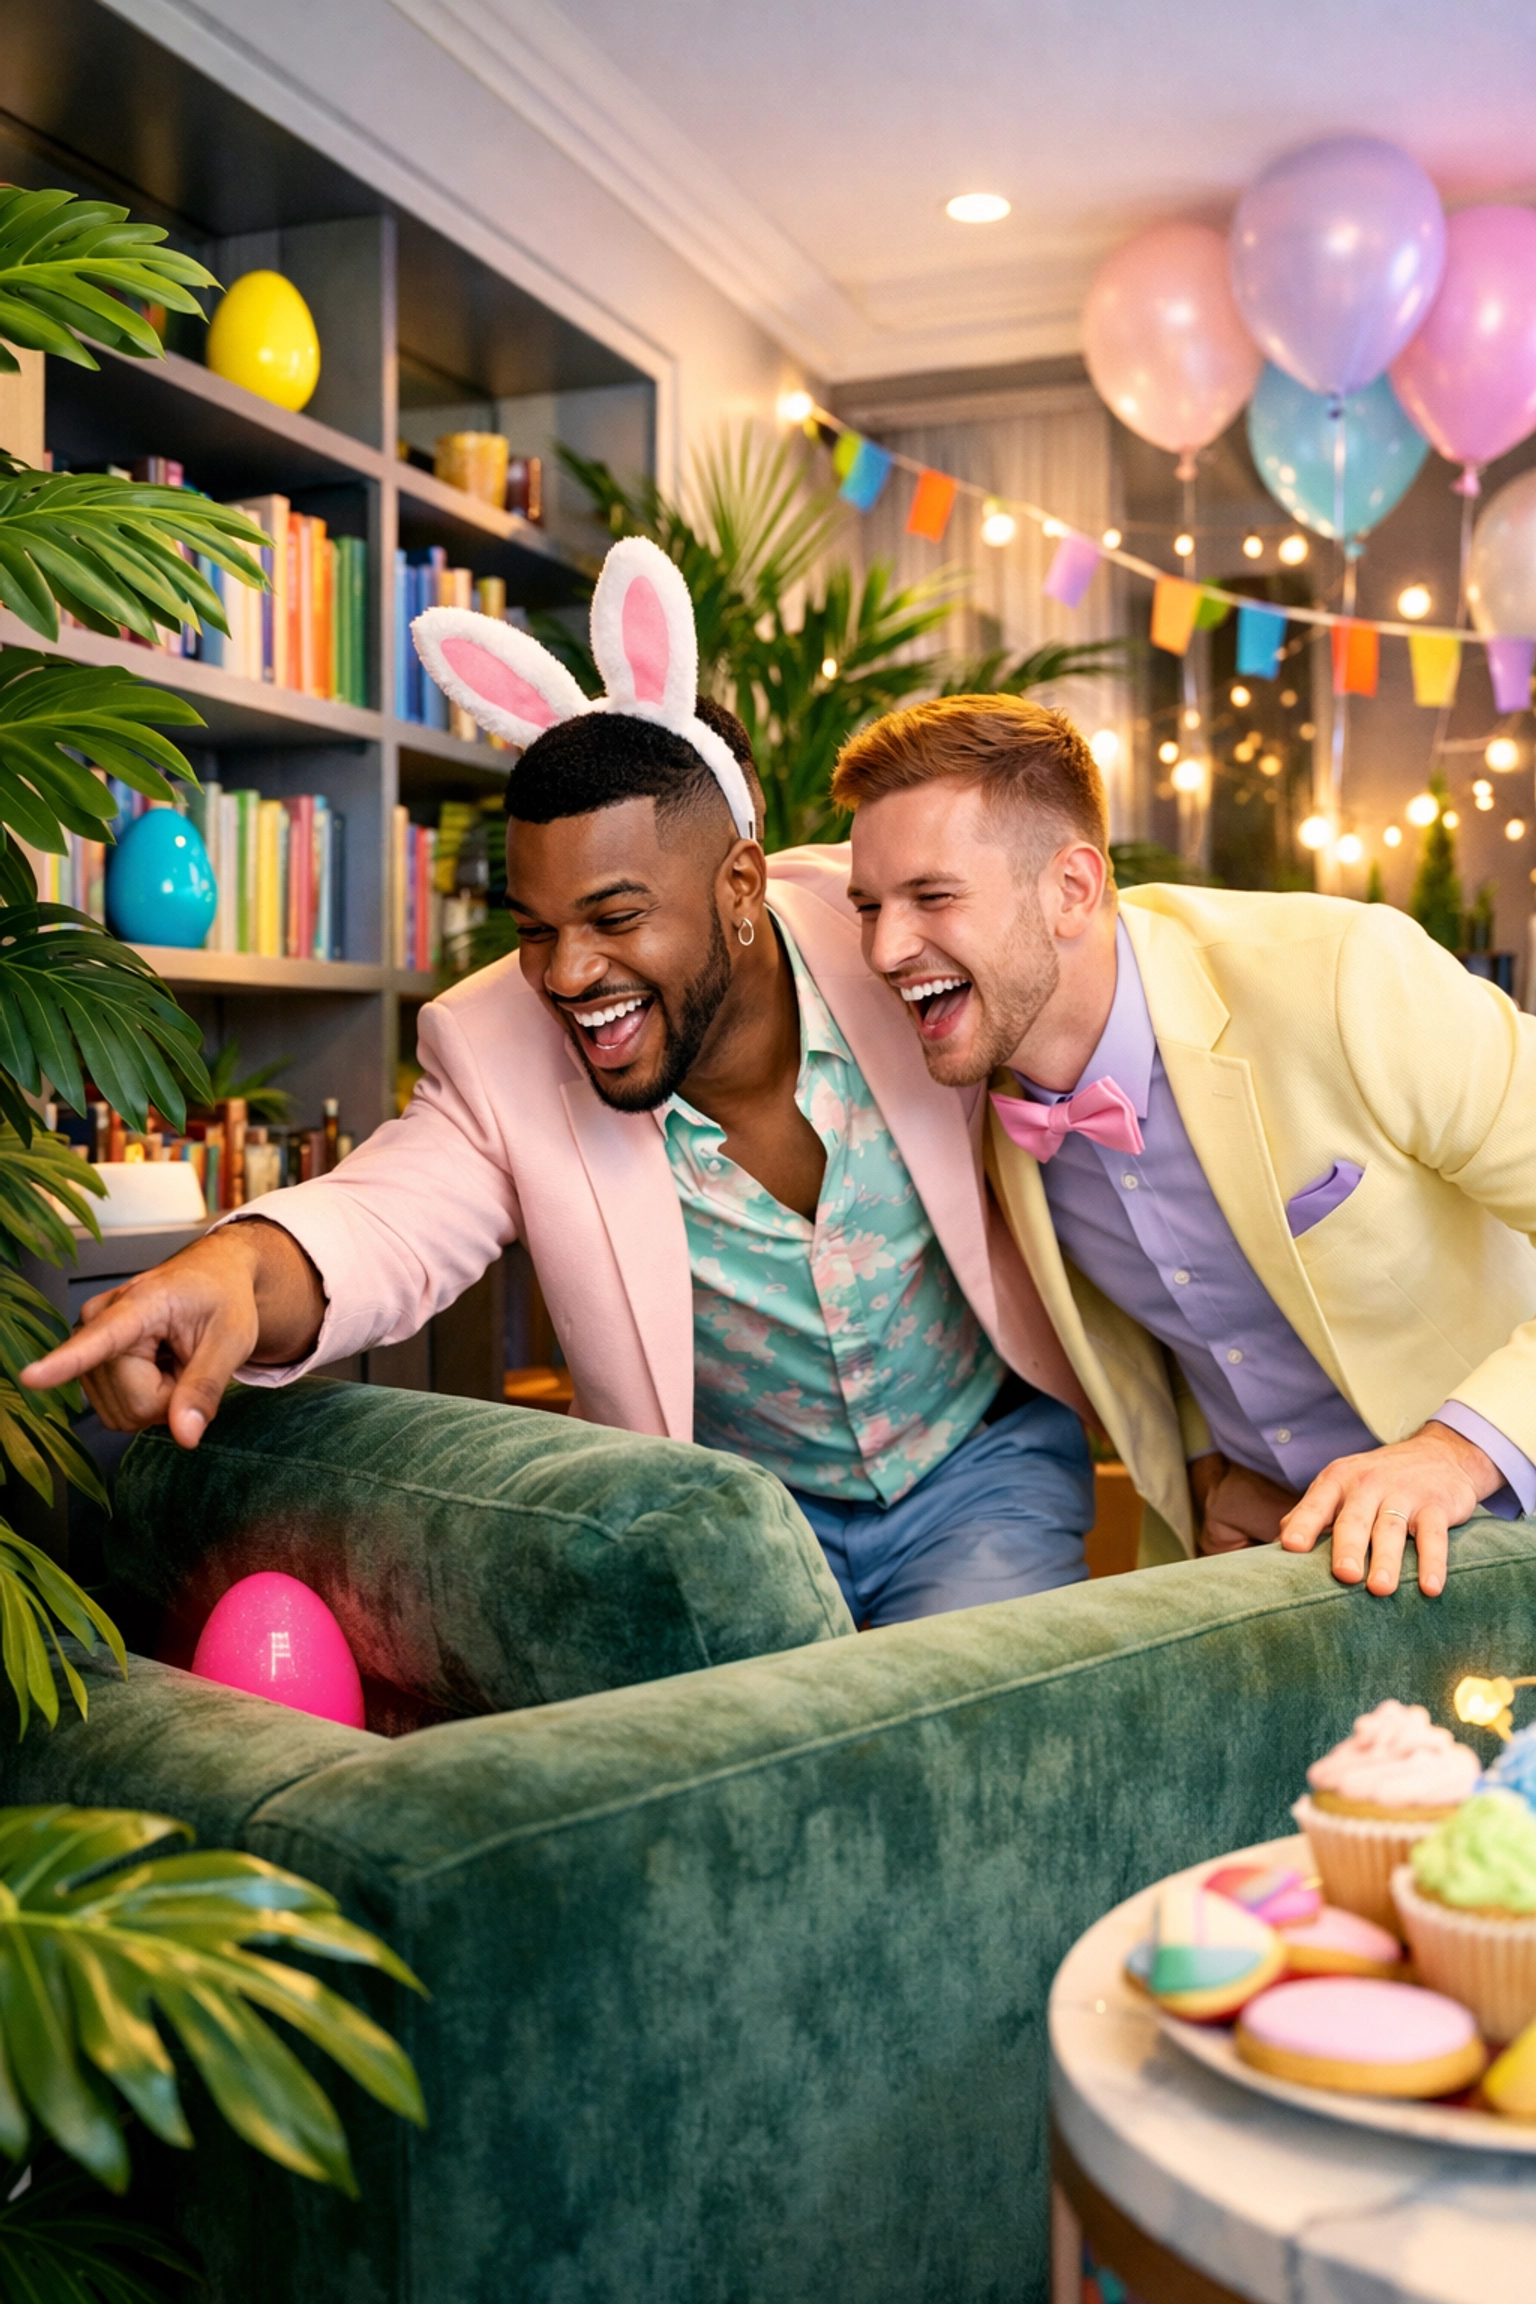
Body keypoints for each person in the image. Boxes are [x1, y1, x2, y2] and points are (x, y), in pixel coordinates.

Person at [22, 542, 1094, 1628]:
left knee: (970, 1742)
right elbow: (386, 1218)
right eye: (537, 930)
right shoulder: (497, 1043)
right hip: (732, 1522)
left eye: (616, 919)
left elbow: (1120, 1035)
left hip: (977, 1473)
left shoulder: (900, 944)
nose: (569, 974)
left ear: (739, 885)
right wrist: (239, 1268)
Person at [836, 690, 1536, 1601]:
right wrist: (1210, 1465)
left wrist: (1457, 1452)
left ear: (1072, 889)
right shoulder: (975, 1104)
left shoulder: (1345, 976)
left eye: (932, 896)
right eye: (868, 905)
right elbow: (1175, 1319)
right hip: (1279, 1576)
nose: (887, 949)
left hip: (1505, 1529)